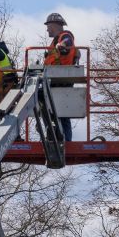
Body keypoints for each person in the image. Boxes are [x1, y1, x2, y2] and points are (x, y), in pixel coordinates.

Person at [43, 13, 79, 141]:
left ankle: (65, 141)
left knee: (61, 113)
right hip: (54, 78)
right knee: (57, 112)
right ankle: (56, 136)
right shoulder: (55, 41)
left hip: (61, 78)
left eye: (48, 26)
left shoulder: (65, 36)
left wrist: (62, 44)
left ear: (54, 25)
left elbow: (68, 41)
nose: (47, 29)